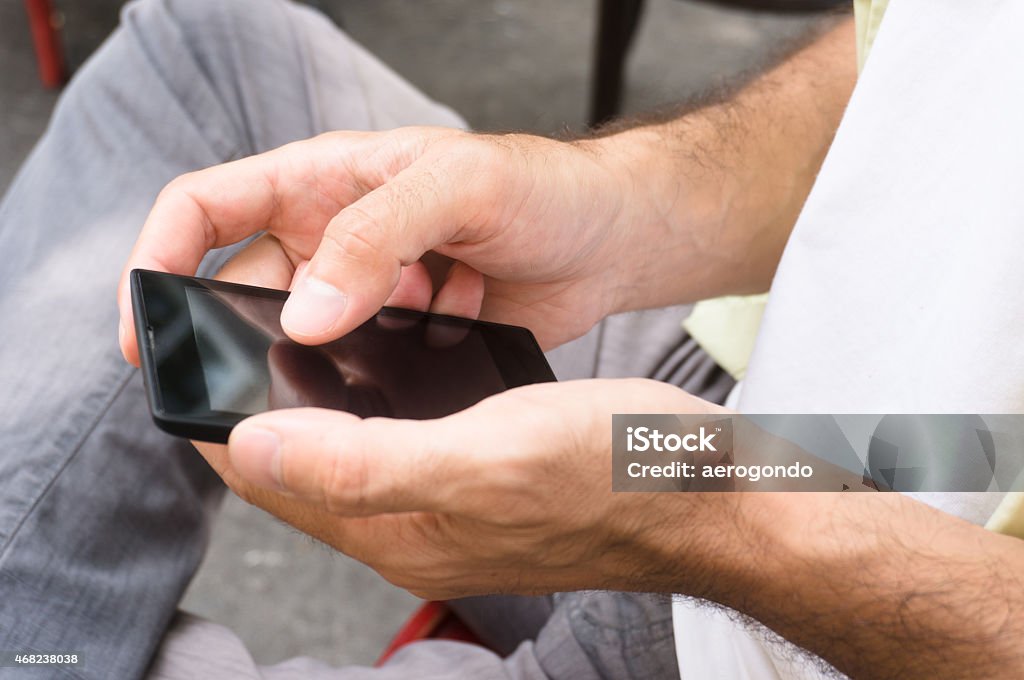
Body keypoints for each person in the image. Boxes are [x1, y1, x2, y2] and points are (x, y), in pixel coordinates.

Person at [3, 0, 1023, 679]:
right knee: (206, 49)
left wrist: (714, 516)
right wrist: (626, 203)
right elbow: (922, 57)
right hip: (875, 422)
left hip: (828, 594)